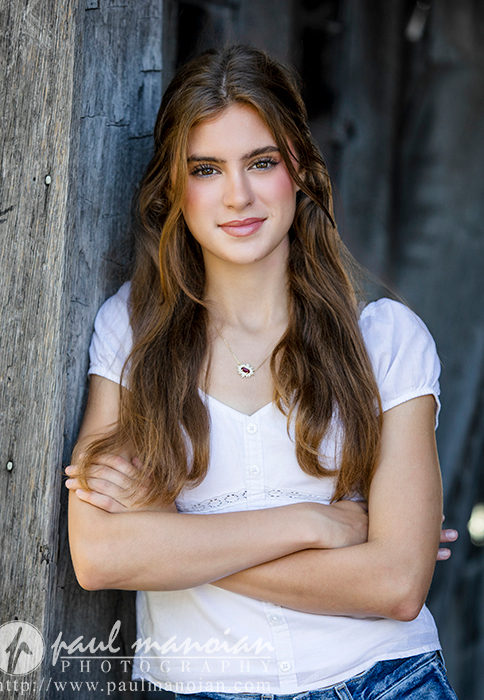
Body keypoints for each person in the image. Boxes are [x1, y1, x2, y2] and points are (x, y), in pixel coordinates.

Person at [66, 45, 459, 698]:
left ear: (298, 169)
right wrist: (313, 524)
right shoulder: (132, 333)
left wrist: (172, 544)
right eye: (206, 169)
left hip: (386, 679)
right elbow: (101, 555)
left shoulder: (387, 340)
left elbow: (395, 586)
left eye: (261, 162)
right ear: (174, 185)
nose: (238, 195)